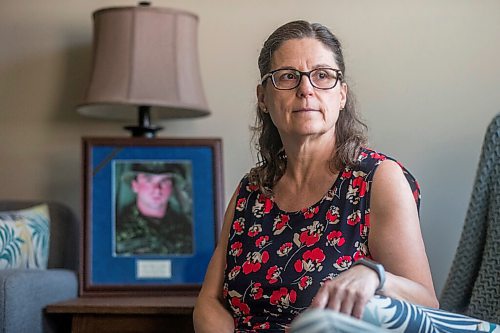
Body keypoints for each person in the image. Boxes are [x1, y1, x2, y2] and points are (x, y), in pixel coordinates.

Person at [193, 20, 498, 333]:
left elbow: (425, 303)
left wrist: (374, 276)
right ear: (263, 98)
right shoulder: (251, 190)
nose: (305, 89)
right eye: (287, 76)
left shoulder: (379, 179)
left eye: (322, 76)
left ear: (341, 95)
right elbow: (210, 299)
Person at [115, 162, 193, 255]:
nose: (157, 189)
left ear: (172, 187)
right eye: (148, 180)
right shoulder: (115, 230)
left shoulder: (186, 230)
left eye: (164, 181)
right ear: (135, 185)